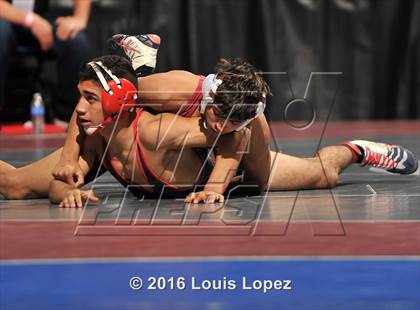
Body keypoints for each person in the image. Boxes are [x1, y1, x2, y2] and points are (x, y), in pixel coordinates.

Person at [0, 55, 417, 207]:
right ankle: (141, 54)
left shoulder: (219, 127)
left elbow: (233, 138)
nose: (220, 127)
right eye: (219, 118)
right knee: (16, 185)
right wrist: (71, 161)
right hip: (129, 128)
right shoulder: (157, 93)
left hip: (221, 149)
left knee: (311, 175)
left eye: (228, 121)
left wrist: (217, 186)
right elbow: (90, 101)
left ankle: (357, 150)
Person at [0, 0, 92, 121]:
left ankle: (67, 117)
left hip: (40, 15)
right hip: (5, 17)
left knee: (76, 41)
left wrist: (80, 18)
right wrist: (30, 20)